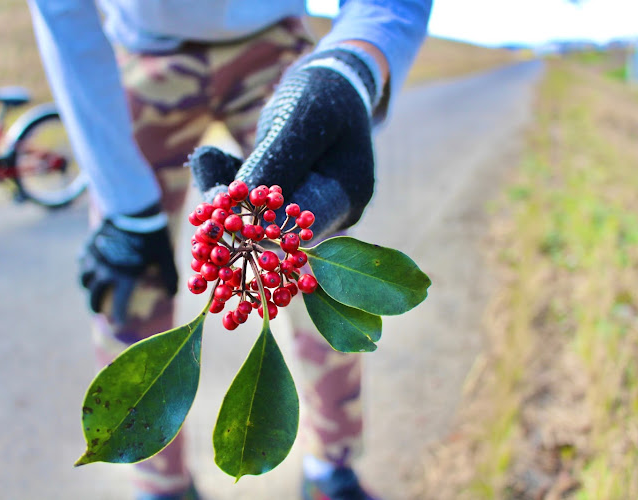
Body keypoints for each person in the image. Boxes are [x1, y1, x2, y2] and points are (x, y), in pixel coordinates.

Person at [27, 1, 432, 499]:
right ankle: (161, 485)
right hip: (145, 52)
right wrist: (125, 205)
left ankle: (333, 469)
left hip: (275, 43)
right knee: (129, 279)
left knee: (316, 263)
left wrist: (352, 66)